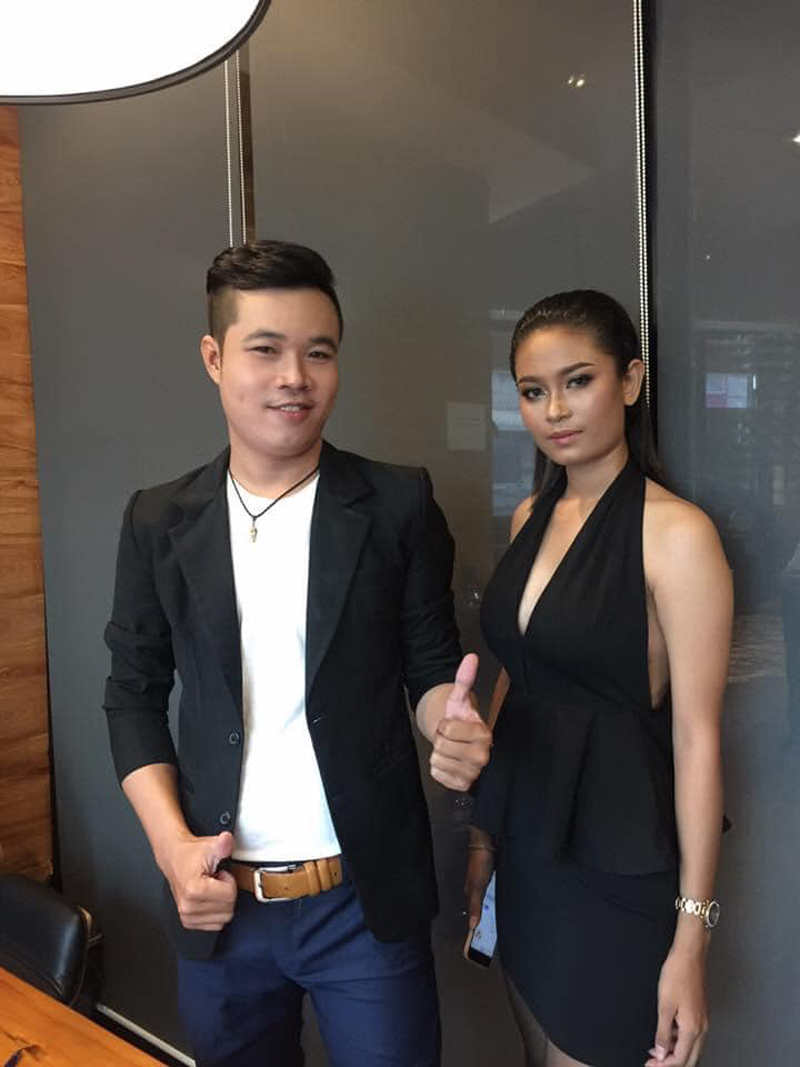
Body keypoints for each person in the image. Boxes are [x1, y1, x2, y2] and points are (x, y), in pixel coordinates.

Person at [103, 239, 492, 1067]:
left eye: (319, 352)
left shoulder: (397, 503)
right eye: (266, 349)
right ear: (214, 358)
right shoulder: (157, 519)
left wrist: (448, 726)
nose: (295, 377)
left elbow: (431, 667)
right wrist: (172, 848)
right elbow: (132, 693)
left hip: (362, 899)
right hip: (220, 901)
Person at [465, 291, 731, 1067]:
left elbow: (698, 738)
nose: (554, 410)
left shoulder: (678, 534)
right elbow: (519, 677)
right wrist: (483, 837)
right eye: (533, 390)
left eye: (577, 380)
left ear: (631, 380)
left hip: (618, 860)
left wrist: (691, 937)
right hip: (526, 844)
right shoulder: (529, 516)